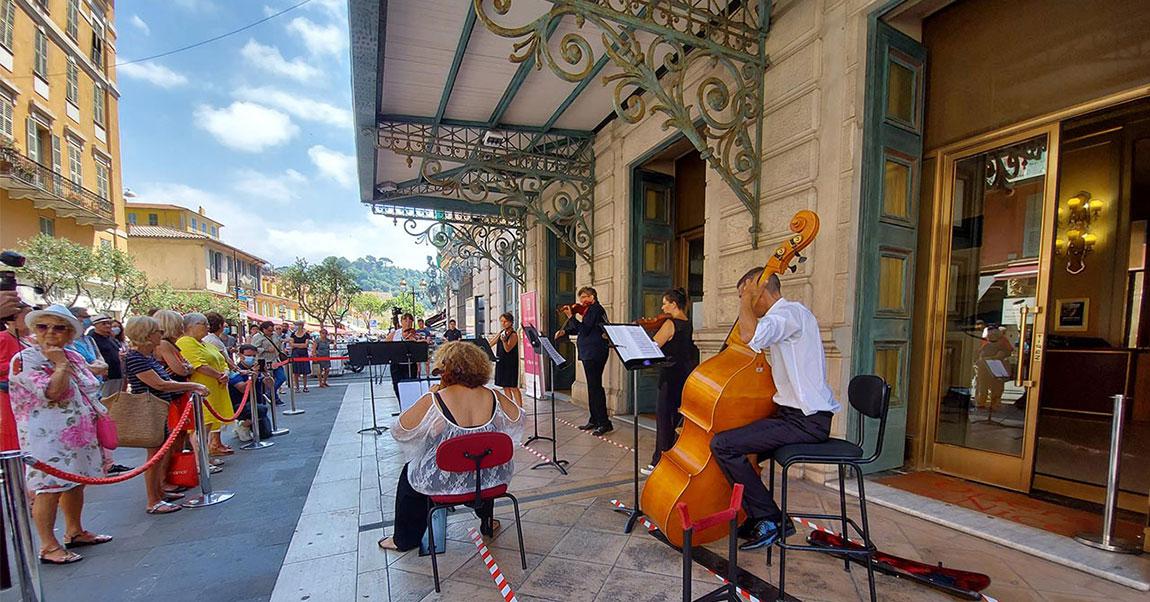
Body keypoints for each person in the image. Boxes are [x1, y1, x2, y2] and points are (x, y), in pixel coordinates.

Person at [710, 269, 840, 550]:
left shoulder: (789, 314)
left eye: (745, 293)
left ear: (763, 287)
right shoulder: (785, 318)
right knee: (736, 442)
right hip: (792, 416)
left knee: (723, 445)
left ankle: (771, 519)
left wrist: (746, 299)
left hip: (806, 421)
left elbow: (749, 334)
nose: (744, 301)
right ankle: (757, 514)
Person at [377, 341, 523, 551]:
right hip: (490, 479)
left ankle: (404, 538)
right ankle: (487, 520)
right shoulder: (494, 395)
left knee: (409, 474)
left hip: (446, 482)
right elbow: (518, 419)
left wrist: (429, 405)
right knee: (482, 457)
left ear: (446, 369)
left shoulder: (436, 397)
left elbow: (399, 430)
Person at [8, 304, 112, 564]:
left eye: (58, 327)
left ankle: (75, 530)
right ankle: (48, 545)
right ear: (34, 330)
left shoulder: (73, 356)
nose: (50, 333)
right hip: (47, 438)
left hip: (78, 432)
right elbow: (52, 392)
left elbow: (90, 383)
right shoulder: (24, 360)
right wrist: (60, 365)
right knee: (49, 488)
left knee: (76, 481)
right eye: (43, 327)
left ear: (69, 333)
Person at [122, 316, 211, 515]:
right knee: (154, 456)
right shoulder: (135, 358)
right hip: (150, 411)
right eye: (157, 332)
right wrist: (193, 384)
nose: (160, 336)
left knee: (160, 453)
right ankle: (153, 499)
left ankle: (159, 491)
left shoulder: (146, 357)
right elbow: (160, 383)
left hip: (160, 408)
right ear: (147, 334)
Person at [641, 288, 698, 476]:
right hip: (685, 376)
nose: (662, 306)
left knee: (665, 420)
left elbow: (654, 346)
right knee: (676, 420)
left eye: (665, 302)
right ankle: (672, 458)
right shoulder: (688, 324)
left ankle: (659, 462)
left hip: (670, 376)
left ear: (674, 304)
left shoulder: (670, 323)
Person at [176, 313, 234, 459]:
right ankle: (201, 462)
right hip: (202, 392)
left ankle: (205, 458)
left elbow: (223, 361)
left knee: (208, 426)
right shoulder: (185, 342)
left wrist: (225, 373)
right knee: (201, 427)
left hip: (215, 390)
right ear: (191, 326)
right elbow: (198, 365)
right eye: (204, 324)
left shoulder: (205, 343)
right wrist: (219, 375)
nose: (207, 327)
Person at [555, 286, 611, 435]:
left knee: (595, 387)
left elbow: (584, 330)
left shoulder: (596, 309)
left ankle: (604, 423)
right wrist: (565, 331)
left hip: (595, 352)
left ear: (592, 297)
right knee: (592, 387)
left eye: (585, 297)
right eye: (581, 298)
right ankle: (594, 419)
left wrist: (570, 317)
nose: (582, 300)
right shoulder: (589, 311)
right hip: (589, 352)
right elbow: (580, 329)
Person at [0, 304, 32, 451]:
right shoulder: (3, 338)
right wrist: (18, 364)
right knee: (12, 432)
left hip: (27, 395)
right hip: (8, 395)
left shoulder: (28, 340)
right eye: (26, 316)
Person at [226, 345, 271, 443]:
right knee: (262, 410)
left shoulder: (256, 368)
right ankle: (243, 424)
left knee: (266, 433)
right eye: (248, 355)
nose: (252, 358)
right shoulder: (236, 371)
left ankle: (249, 424)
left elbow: (270, 385)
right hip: (240, 405)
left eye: (254, 356)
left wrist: (266, 375)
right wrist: (253, 375)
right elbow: (243, 388)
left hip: (256, 403)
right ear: (241, 356)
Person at [385, 313, 424, 401]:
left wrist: (414, 341)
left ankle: (410, 407)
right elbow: (385, 345)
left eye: (410, 321)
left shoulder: (414, 335)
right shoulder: (395, 334)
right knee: (397, 386)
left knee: (410, 387)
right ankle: (401, 405)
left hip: (410, 364)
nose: (407, 323)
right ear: (401, 322)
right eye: (405, 321)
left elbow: (418, 351)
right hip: (396, 364)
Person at [974, 325, 1013, 410]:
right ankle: (982, 402)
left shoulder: (1003, 342)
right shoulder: (985, 342)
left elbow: (1001, 354)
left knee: (996, 387)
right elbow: (979, 352)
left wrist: (985, 359)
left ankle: (993, 404)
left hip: (995, 366)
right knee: (982, 386)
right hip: (984, 367)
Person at [489, 312, 523, 407]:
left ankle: (520, 407)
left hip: (510, 363)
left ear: (510, 322)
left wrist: (504, 341)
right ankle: (511, 406)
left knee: (513, 386)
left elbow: (508, 349)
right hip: (502, 362)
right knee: (505, 386)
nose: (503, 323)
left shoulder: (513, 335)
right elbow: (492, 343)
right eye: (501, 321)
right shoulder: (501, 332)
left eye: (505, 321)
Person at [251, 321, 286, 406]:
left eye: (271, 330)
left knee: (282, 378)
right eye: (269, 330)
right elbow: (253, 349)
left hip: (275, 360)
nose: (271, 332)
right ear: (263, 329)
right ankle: (275, 398)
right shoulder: (257, 337)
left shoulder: (274, 335)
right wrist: (265, 349)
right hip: (264, 361)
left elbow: (278, 344)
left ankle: (270, 393)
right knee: (269, 380)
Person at [89, 315, 124, 399]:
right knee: (105, 400)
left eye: (109, 323)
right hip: (105, 377)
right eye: (104, 324)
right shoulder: (92, 339)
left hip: (117, 374)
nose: (108, 326)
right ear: (95, 325)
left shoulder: (111, 338)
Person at [288, 321, 313, 393]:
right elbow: (291, 344)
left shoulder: (306, 335)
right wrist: (300, 345)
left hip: (304, 354)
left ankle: (305, 386)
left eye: (298, 325)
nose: (297, 326)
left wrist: (296, 345)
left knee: (305, 371)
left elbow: (306, 345)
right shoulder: (293, 334)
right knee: (295, 372)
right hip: (295, 354)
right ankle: (297, 387)